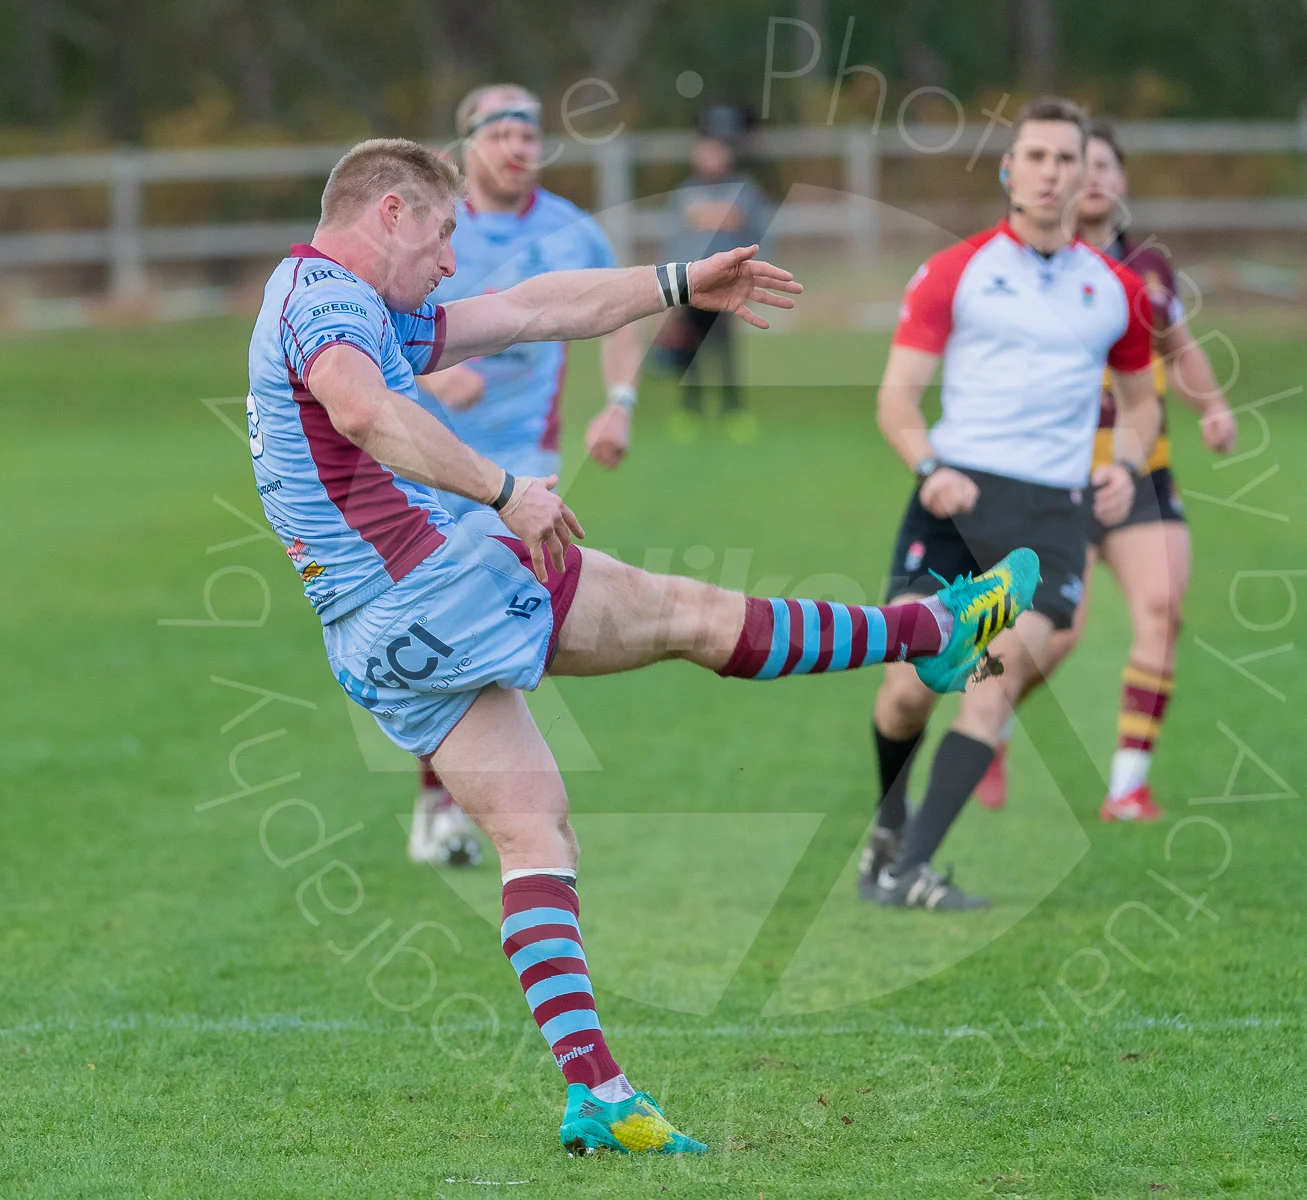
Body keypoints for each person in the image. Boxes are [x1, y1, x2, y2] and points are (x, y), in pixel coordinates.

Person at [246, 137, 1036, 1153]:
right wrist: (502, 490)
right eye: (444, 235)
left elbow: (534, 309)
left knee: (535, 833)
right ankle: (927, 630)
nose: (452, 261)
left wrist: (679, 282)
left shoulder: (344, 302)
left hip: (369, 641)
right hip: (436, 583)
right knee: (689, 616)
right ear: (390, 212)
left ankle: (599, 1097)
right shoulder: (328, 299)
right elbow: (361, 410)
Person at [855, 97, 1160, 911]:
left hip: (1052, 520)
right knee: (909, 688)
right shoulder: (956, 272)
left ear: (1088, 175)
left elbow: (1143, 407)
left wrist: (1126, 467)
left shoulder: (1118, 290)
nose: (1053, 172)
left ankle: (909, 868)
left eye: (1068, 158)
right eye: (1037, 157)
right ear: (1008, 169)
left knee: (993, 682)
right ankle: (888, 829)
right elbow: (896, 400)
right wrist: (929, 469)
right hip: (955, 499)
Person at [404, 83, 644, 868]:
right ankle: (446, 804)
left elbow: (616, 315)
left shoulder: (573, 232)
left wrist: (619, 402)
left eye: (527, 134)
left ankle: (460, 803)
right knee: (448, 622)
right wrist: (435, 380)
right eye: (499, 133)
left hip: (526, 466)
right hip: (424, 457)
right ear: (465, 146)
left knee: (504, 617)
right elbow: (378, 322)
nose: (516, 146)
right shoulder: (433, 230)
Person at [971, 120, 1239, 822]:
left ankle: (1127, 785)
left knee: (1163, 611)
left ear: (1121, 182)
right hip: (1052, 481)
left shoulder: (1147, 271)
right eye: (1077, 163)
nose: (1091, 177)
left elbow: (1179, 347)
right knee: (1057, 634)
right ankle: (988, 727)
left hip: (1140, 474)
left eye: (1105, 166)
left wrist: (1212, 406)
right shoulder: (1029, 268)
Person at [657, 104, 768, 444]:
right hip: (691, 286)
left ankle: (732, 408)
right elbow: (675, 240)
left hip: (729, 285)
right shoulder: (686, 193)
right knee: (690, 350)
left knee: (725, 349)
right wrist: (669, 288)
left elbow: (757, 232)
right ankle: (690, 409)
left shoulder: (745, 190)